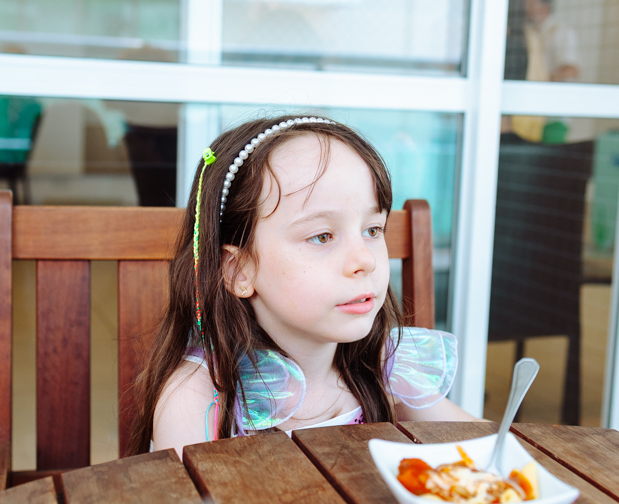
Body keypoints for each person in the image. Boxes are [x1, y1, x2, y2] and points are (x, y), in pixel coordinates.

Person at [127, 115, 476, 458]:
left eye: (372, 230)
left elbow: (481, 450)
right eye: (322, 236)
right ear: (238, 272)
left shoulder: (383, 362)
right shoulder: (201, 396)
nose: (365, 260)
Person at [524, 0, 580, 82]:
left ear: (546, 6)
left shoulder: (563, 32)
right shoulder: (528, 31)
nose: (526, 9)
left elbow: (572, 70)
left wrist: (542, 80)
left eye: (531, 4)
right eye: (526, 4)